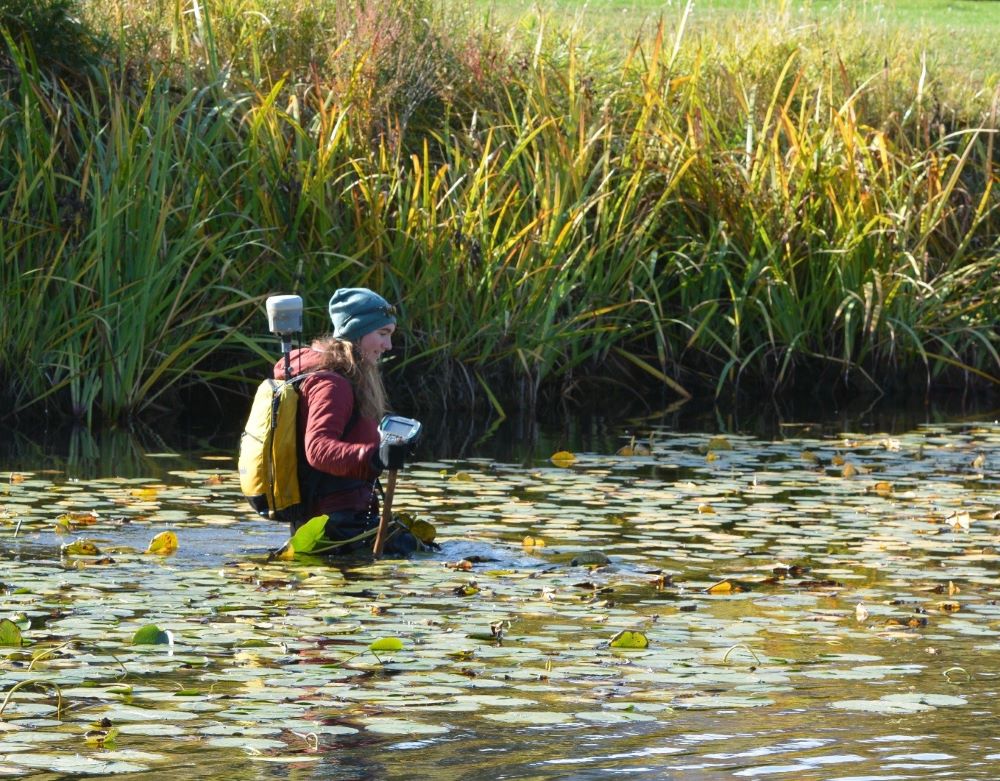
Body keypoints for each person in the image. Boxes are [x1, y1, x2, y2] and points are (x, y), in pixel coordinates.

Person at [274, 287, 420, 555]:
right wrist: (376, 457)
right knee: (417, 551)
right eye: (382, 334)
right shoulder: (332, 383)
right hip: (334, 528)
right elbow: (318, 449)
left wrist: (389, 446)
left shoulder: (342, 378)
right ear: (356, 333)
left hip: (342, 521)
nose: (388, 346)